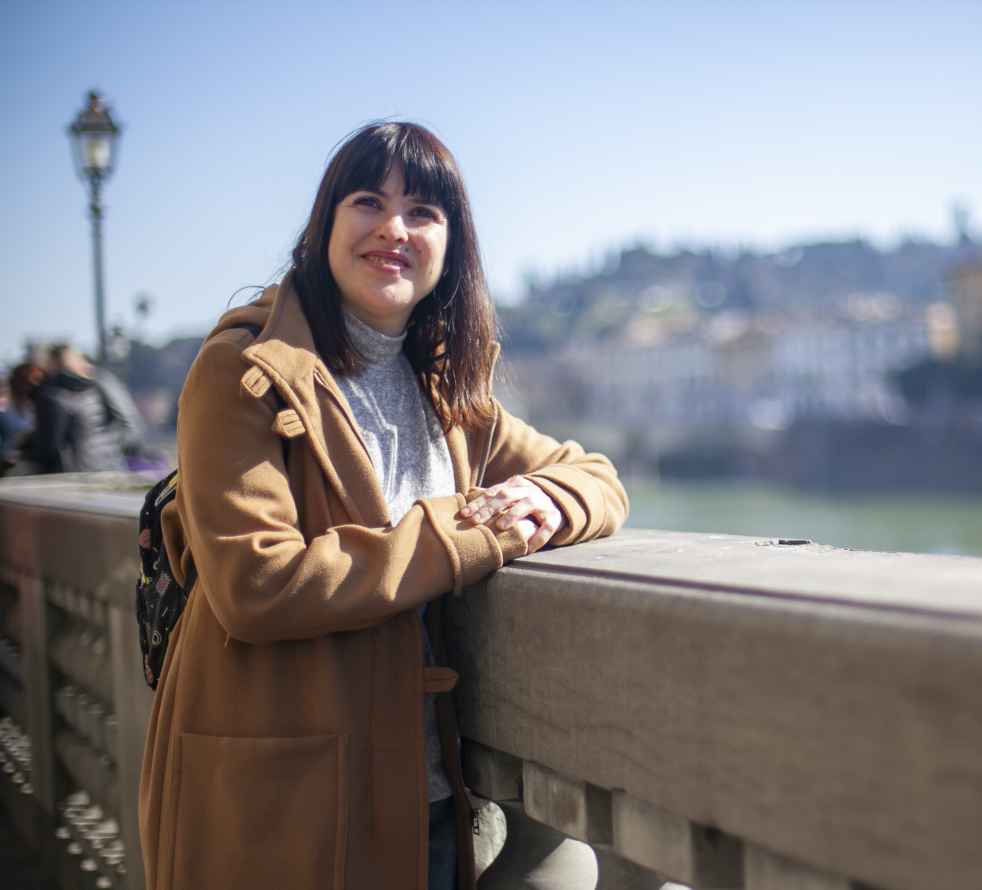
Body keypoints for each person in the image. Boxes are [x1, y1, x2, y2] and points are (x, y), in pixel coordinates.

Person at [137, 122, 628, 890]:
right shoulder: (242, 373)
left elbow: (597, 477)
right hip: (284, 802)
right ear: (326, 225)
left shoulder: (445, 389)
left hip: (420, 796)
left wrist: (541, 496)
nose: (394, 229)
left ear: (451, 245)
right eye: (369, 202)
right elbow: (258, 586)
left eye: (424, 212)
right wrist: (470, 531)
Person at [22, 343, 129, 473]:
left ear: (51, 364)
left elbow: (49, 447)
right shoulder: (95, 386)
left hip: (73, 473)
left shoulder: (51, 395)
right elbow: (124, 424)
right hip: (107, 467)